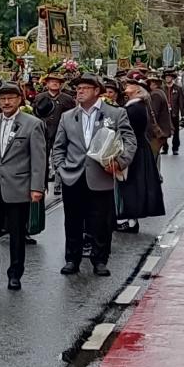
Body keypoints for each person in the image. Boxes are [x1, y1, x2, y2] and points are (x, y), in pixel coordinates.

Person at [51, 72, 136, 277]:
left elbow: (130, 141)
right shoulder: (68, 116)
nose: (79, 92)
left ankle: (100, 260)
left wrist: (119, 162)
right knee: (72, 221)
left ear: (97, 91)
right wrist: (61, 168)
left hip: (101, 175)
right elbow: (59, 146)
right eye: (78, 89)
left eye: (84, 88)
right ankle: (72, 259)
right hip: (74, 175)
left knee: (101, 222)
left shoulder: (115, 114)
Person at [0, 82, 47, 290]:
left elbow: (39, 159)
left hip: (18, 187)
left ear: (19, 100)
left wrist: (37, 187)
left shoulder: (32, 124)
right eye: (3, 98)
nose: (6, 102)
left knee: (16, 234)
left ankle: (15, 274)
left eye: (11, 98)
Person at [116, 82, 166, 233]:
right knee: (132, 184)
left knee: (132, 184)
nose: (127, 86)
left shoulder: (135, 107)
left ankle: (131, 221)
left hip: (135, 149)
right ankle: (130, 219)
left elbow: (129, 129)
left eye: (131, 84)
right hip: (138, 147)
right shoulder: (134, 105)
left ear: (138, 90)